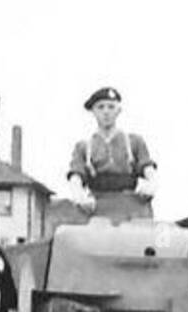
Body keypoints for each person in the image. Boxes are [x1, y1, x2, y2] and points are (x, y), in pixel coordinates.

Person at [67, 86, 158, 221]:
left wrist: (151, 186)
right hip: (98, 207)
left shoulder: (134, 142)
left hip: (131, 206)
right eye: (100, 107)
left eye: (111, 107)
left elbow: (149, 170)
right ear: (93, 111)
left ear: (118, 110)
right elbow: (76, 177)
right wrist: (80, 197)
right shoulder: (84, 147)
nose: (106, 112)